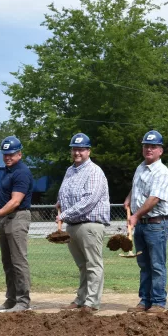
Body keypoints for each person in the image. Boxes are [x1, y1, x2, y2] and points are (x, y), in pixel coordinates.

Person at [56, 133, 111, 313]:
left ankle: (91, 302)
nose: (77, 153)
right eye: (74, 149)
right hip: (72, 225)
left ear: (88, 151)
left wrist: (65, 213)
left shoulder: (94, 171)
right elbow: (63, 193)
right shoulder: (70, 170)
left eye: (81, 149)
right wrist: (60, 204)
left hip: (90, 224)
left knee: (93, 264)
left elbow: (89, 200)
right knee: (82, 266)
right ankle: (81, 299)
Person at [124, 130, 168, 314]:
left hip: (156, 223)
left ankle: (158, 302)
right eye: (146, 146)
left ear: (160, 150)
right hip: (143, 225)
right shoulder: (140, 167)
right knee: (144, 264)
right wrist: (129, 198)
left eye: (153, 146)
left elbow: (154, 198)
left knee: (157, 264)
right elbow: (136, 187)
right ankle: (145, 301)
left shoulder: (162, 172)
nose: (149, 149)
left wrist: (135, 216)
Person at [0, 136, 34, 313]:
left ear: (20, 154)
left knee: (18, 262)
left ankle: (23, 301)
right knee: (7, 262)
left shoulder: (22, 172)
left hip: (17, 218)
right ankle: (11, 299)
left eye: (11, 154)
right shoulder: (8, 170)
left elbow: (15, 201)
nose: (7, 157)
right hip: (5, 219)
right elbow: (5, 186)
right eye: (5, 154)